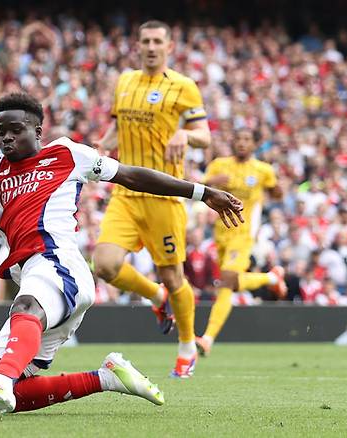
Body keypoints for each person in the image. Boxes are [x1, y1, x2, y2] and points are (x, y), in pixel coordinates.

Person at [0, 83, 243, 413]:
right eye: (1, 131)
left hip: (58, 264)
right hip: (36, 274)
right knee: (3, 395)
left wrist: (202, 192)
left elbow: (131, 175)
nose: (7, 138)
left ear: (38, 132)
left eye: (17, 129)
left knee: (20, 322)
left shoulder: (66, 154)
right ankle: (106, 377)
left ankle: (1, 379)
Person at [92, 20, 212, 377]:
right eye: (145, 41)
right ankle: (156, 298)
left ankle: (188, 345)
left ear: (169, 46)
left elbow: (204, 134)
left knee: (174, 277)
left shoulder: (183, 87)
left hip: (165, 194)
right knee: (105, 265)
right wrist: (102, 145)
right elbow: (118, 127)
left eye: (158, 41)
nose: (151, 47)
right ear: (137, 44)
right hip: (126, 191)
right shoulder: (124, 81)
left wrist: (185, 137)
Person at [195, 129, 286, 356]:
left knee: (226, 280)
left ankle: (207, 337)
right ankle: (272, 277)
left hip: (244, 234)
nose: (242, 143)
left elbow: (278, 194)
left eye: (247, 139)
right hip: (220, 234)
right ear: (233, 142)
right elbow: (200, 189)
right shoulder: (218, 165)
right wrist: (209, 182)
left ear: (254, 144)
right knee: (228, 284)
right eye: (238, 139)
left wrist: (276, 188)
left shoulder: (263, 170)